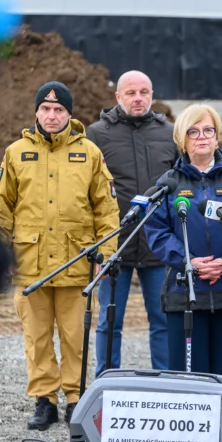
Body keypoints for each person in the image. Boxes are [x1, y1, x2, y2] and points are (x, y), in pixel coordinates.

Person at [0, 81, 120, 429]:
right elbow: (1, 208)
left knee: (75, 335)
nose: (51, 115)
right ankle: (44, 401)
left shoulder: (90, 153)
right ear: (36, 112)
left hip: (76, 262)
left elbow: (106, 208)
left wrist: (106, 253)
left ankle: (75, 398)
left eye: (58, 110)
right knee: (37, 336)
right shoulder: (16, 152)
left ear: (69, 114)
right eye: (45, 109)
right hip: (28, 263)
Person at [143, 104, 222, 442]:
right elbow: (155, 230)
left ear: (217, 136)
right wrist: (187, 261)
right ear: (182, 139)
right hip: (186, 293)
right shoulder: (168, 183)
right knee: (191, 379)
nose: (202, 137)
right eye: (194, 131)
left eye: (208, 130)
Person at [86, 70, 179, 377]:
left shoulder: (170, 133)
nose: (138, 98)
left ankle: (167, 384)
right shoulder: (97, 134)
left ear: (152, 94)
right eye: (131, 93)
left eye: (144, 92)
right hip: (117, 243)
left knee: (163, 319)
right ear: (118, 97)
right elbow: (88, 191)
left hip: (159, 243)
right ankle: (106, 383)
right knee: (110, 321)